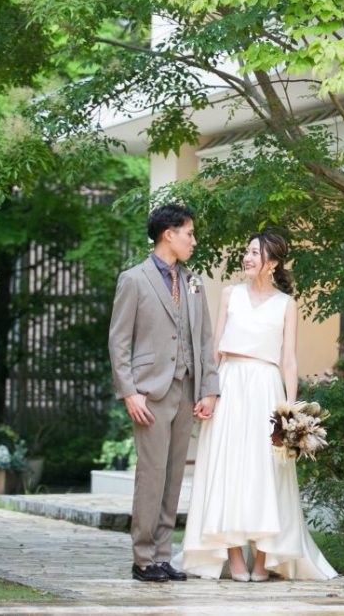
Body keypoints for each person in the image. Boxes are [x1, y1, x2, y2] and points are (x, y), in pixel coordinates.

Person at [176, 231, 336, 582]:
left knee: (267, 470)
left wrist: (291, 412)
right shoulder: (230, 295)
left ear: (273, 263)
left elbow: (289, 360)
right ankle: (234, 556)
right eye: (246, 251)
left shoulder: (286, 304)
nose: (247, 258)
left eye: (254, 253)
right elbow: (215, 348)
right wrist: (208, 391)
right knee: (229, 467)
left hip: (266, 386)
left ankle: (262, 559)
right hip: (230, 384)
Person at [108, 203, 221, 583]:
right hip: (150, 392)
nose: (193, 240)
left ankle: (161, 555)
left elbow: (204, 340)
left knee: (174, 477)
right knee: (152, 475)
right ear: (168, 234)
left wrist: (209, 389)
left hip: (187, 390)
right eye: (189, 233)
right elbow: (118, 342)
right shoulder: (134, 279)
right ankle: (142, 558)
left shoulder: (194, 281)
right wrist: (129, 392)